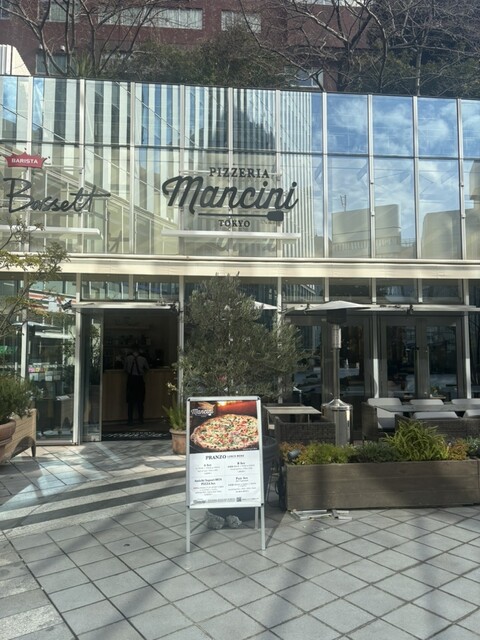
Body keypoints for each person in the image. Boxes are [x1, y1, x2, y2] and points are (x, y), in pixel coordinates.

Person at [124, 346, 149, 425]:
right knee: (140, 400)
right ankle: (141, 419)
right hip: (139, 379)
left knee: (130, 401)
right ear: (139, 351)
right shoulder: (143, 359)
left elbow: (125, 369)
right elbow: (147, 368)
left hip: (131, 379)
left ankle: (130, 420)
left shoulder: (127, 358)